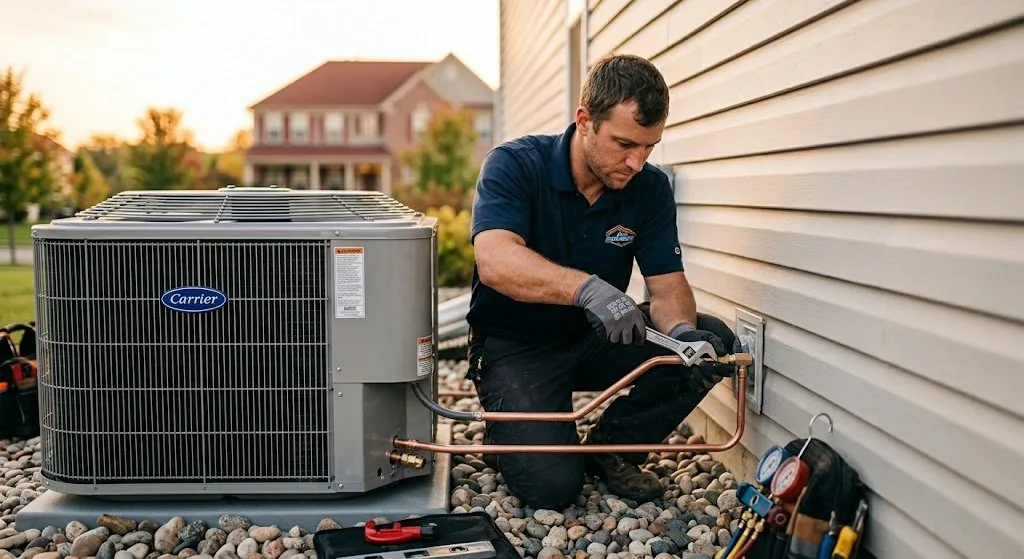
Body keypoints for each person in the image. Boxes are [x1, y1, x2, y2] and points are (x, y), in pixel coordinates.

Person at [464, 54, 738, 510]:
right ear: (585, 120)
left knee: (715, 344)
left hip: (598, 338)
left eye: (649, 147)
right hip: (516, 346)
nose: (636, 161)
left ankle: (613, 447)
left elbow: (668, 288)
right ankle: (510, 429)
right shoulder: (514, 165)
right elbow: (495, 260)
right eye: (625, 143)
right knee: (551, 490)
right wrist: (586, 288)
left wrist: (682, 338)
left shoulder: (649, 189)